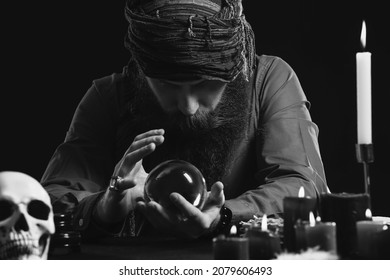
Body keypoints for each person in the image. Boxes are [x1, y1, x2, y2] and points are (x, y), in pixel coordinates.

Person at [41, 0, 329, 239]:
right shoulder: (107, 97)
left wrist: (223, 216)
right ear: (143, 71)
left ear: (235, 66)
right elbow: (45, 200)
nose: (189, 107)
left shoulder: (270, 81)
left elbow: (302, 186)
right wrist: (104, 207)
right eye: (167, 85)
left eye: (205, 84)